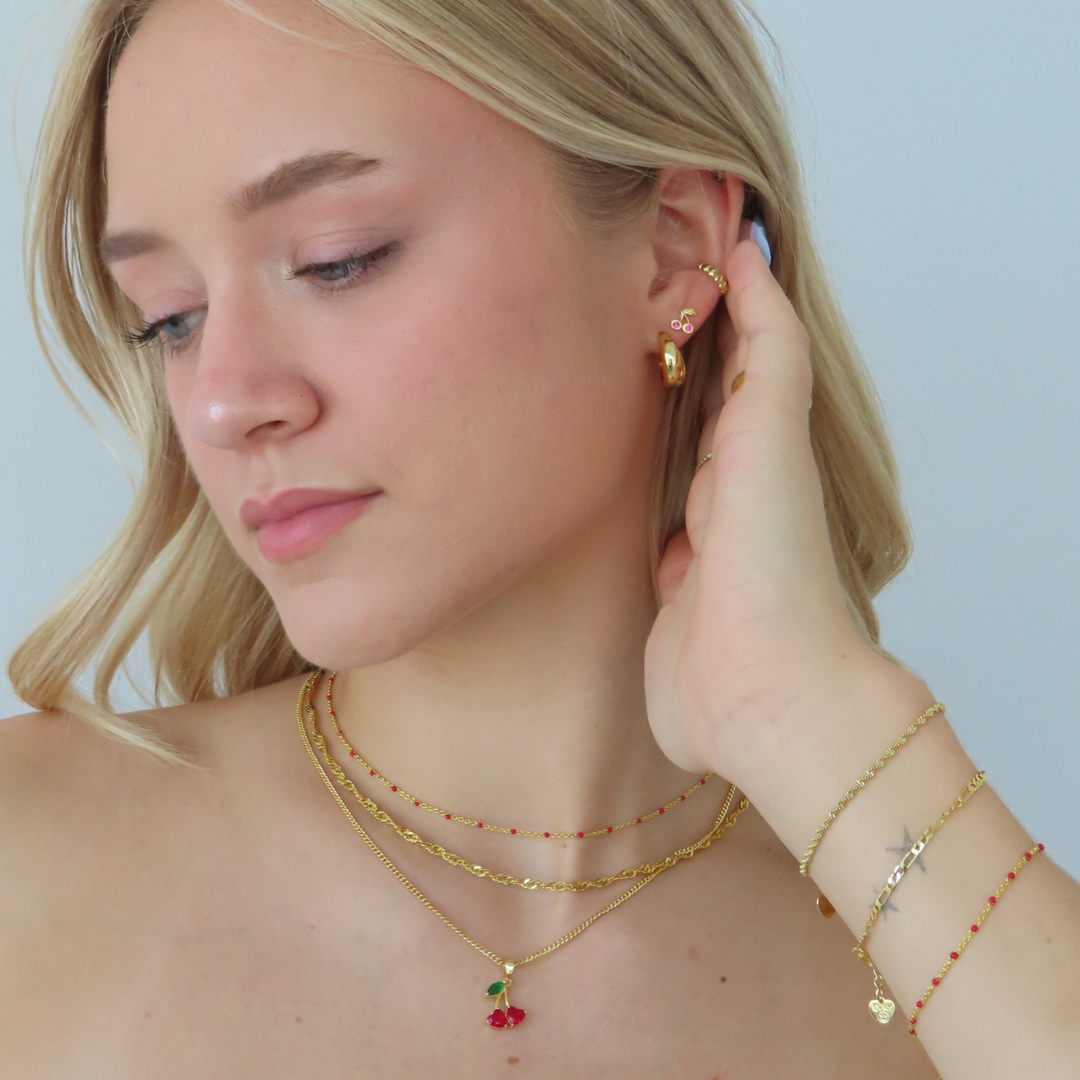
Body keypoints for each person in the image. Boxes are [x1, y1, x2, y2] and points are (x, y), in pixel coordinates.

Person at [1, 0, 1077, 1075]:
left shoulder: (941, 967)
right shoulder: (30, 862)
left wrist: (807, 718)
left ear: (672, 251)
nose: (224, 402)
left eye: (338, 260)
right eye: (171, 317)